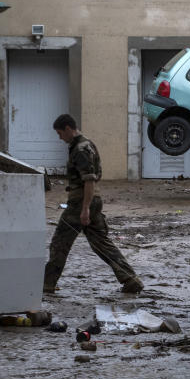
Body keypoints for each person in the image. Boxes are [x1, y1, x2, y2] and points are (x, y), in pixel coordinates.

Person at [42, 114, 143, 295]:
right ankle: (130, 278)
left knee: (60, 243)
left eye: (59, 133)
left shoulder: (81, 149)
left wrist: (85, 209)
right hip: (91, 201)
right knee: (101, 244)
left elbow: (89, 180)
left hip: (81, 203)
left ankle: (47, 283)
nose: (59, 138)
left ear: (68, 129)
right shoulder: (87, 145)